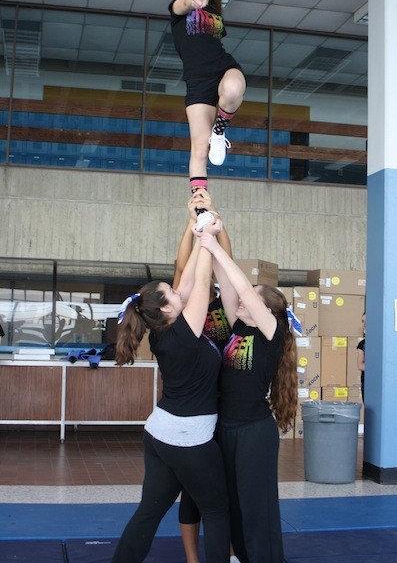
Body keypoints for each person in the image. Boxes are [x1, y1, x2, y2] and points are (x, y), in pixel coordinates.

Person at [111, 216, 230, 563]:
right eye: (173, 293)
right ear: (166, 307)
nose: (180, 292)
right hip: (187, 438)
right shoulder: (184, 331)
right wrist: (208, 237)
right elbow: (202, 279)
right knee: (218, 511)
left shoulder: (164, 330)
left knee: (148, 513)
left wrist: (198, 235)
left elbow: (190, 278)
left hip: (159, 433)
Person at [198, 228, 298, 563]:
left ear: (264, 310)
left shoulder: (272, 333)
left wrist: (214, 245)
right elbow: (228, 285)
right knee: (234, 506)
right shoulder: (239, 326)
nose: (241, 301)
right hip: (227, 429)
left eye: (250, 299)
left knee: (257, 508)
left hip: (254, 433)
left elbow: (241, 287)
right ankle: (241, 556)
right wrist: (213, 235)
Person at [173, 190, 238, 563]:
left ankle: (225, 549)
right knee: (191, 490)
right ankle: (193, 558)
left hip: (223, 405)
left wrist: (213, 217)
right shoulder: (185, 305)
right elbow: (182, 267)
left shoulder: (225, 304)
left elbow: (226, 256)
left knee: (220, 487)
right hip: (195, 406)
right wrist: (191, 222)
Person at [169, 0, 246, 198]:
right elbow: (181, 5)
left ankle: (220, 131)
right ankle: (200, 204)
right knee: (200, 149)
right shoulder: (180, 8)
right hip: (198, 82)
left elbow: (210, 45)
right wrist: (192, 2)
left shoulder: (216, 17)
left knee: (233, 90)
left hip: (223, 69)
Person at [357, 311, 366, 400]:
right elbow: (360, 365)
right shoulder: (362, 344)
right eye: (363, 321)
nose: (364, 324)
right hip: (366, 383)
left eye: (366, 321)